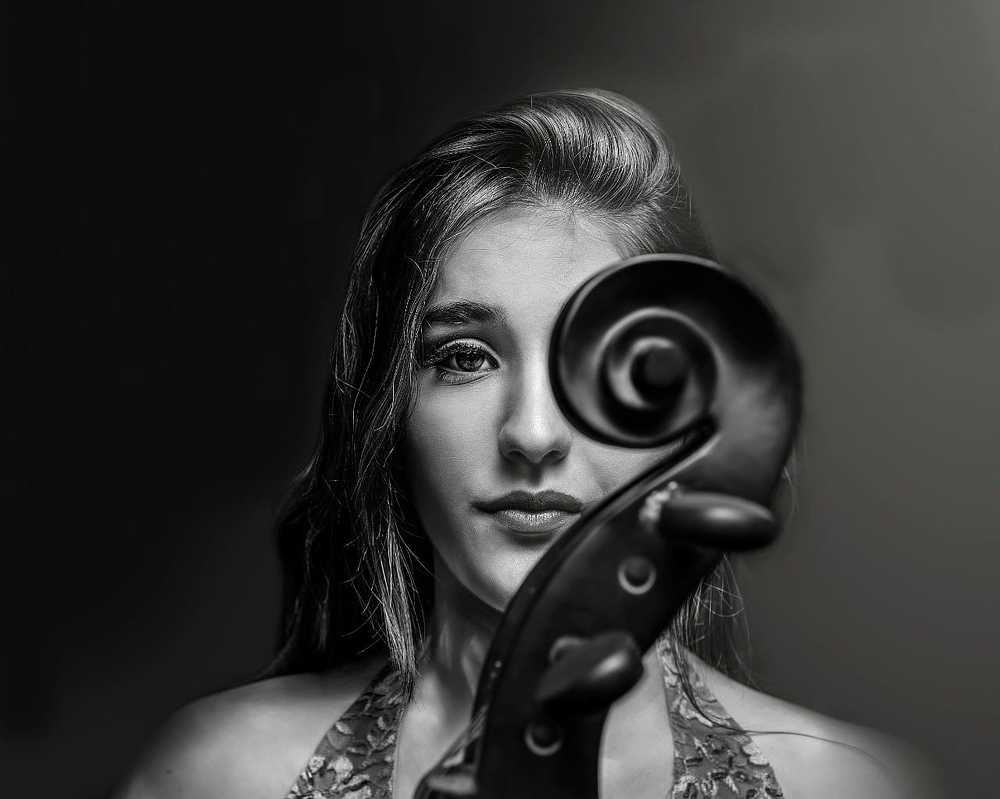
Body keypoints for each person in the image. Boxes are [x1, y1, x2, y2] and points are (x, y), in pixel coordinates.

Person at [116, 89, 939, 799]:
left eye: (604, 366)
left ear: (685, 418)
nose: (532, 434)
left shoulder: (856, 787)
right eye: (464, 357)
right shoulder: (217, 773)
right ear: (391, 409)